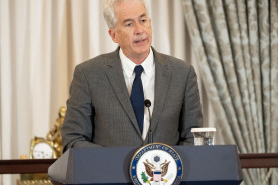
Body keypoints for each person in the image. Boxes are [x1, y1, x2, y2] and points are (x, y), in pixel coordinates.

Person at [61, 0, 203, 151]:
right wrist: (112, 164)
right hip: (110, 174)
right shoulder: (88, 75)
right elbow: (73, 140)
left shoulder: (182, 74)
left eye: (142, 20)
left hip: (167, 173)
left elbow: (194, 139)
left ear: (150, 23)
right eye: (129, 24)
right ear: (113, 34)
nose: (139, 30)